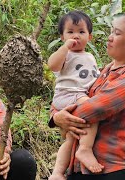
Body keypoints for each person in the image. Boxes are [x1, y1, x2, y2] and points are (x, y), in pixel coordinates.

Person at [48, 10, 125, 180]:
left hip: (116, 168)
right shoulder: (101, 72)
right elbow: (67, 96)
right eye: (111, 31)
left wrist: (60, 119)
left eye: (116, 33)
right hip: (79, 168)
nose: (109, 37)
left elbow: (96, 108)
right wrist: (56, 117)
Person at [47, 11, 102, 180]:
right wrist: (64, 49)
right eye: (70, 32)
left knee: (70, 139)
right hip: (68, 94)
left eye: (81, 32)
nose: (75, 36)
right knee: (93, 108)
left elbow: (95, 78)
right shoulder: (66, 54)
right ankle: (85, 148)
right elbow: (52, 66)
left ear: (90, 37)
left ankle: (57, 173)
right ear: (62, 37)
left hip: (79, 95)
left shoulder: (90, 56)